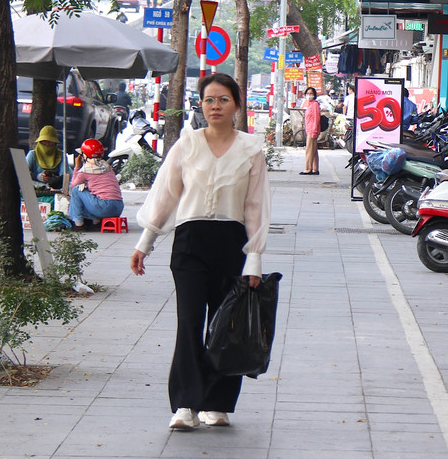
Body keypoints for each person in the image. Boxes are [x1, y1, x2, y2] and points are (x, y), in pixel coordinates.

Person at [129, 72, 271, 432]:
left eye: (223, 99)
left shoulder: (251, 150)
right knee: (189, 323)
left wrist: (254, 258)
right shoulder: (186, 144)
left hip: (231, 243)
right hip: (190, 243)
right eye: (209, 99)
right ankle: (186, 404)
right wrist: (144, 243)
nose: (215, 106)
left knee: (223, 327)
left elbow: (255, 207)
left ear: (237, 104)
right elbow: (166, 196)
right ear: (201, 104)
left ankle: (218, 403)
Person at [66, 139, 124, 230]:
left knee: (76, 190)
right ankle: (95, 221)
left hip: (103, 207)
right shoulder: (107, 167)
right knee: (92, 191)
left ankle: (78, 224)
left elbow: (73, 184)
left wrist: (77, 166)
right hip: (118, 207)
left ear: (85, 155)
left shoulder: (85, 171)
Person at [301, 86, 321, 175]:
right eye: (308, 93)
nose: (309, 95)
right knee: (313, 149)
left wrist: (315, 130)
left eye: (311, 94)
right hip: (310, 129)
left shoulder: (314, 104)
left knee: (309, 149)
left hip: (312, 130)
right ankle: (315, 168)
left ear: (314, 95)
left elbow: (316, 118)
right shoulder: (309, 104)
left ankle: (308, 168)